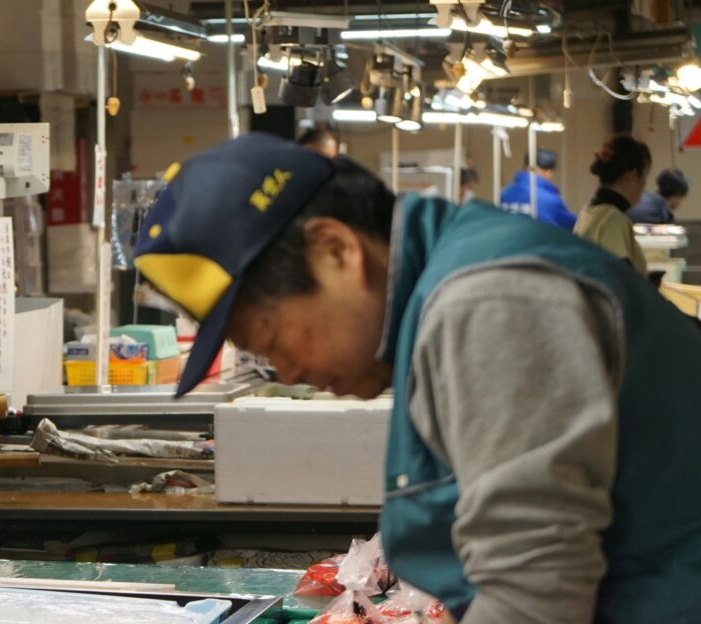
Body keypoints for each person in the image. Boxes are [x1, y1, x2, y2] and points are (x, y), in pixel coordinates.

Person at [132, 133, 701, 622]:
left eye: (271, 338)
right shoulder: (445, 287)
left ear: (336, 250)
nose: (289, 371)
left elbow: (534, 594)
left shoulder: (488, 304)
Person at [573, 134, 651, 275]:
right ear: (632, 175)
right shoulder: (613, 219)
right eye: (644, 177)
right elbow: (620, 279)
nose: (644, 184)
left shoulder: (589, 211)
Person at [498, 148, 576, 229]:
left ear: (523, 167)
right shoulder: (550, 199)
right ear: (548, 172)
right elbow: (572, 224)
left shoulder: (504, 194)